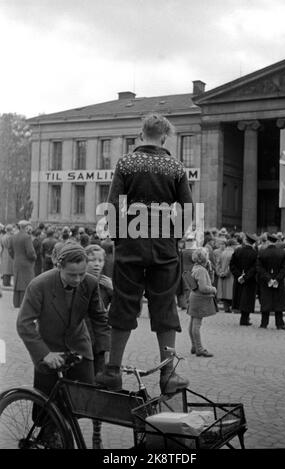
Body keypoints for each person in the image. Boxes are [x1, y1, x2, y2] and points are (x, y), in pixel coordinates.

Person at [96, 113, 193, 394]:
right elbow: (187, 209)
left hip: (131, 244)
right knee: (165, 307)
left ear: (141, 134)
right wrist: (174, 237)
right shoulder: (175, 166)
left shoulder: (126, 162)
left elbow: (113, 204)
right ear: (164, 136)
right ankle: (168, 374)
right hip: (164, 244)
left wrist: (120, 239)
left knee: (124, 303)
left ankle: (113, 371)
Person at [16, 243, 110, 445]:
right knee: (47, 406)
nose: (77, 280)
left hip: (79, 346)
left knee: (84, 401)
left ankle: (69, 432)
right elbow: (24, 324)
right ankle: (50, 435)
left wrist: (106, 350)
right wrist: (44, 354)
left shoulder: (90, 283)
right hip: (50, 348)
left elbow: (100, 319)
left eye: (81, 274)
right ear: (59, 267)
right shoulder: (39, 285)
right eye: (71, 275)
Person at [85, 244, 112, 449]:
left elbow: (127, 312)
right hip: (79, 344)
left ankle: (96, 434)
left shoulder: (105, 285)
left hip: (99, 346)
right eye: (92, 260)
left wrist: (114, 291)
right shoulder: (77, 281)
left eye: (100, 260)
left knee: (99, 390)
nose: (96, 264)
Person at [187, 248, 216, 357]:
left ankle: (194, 346)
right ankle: (199, 348)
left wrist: (210, 271)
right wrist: (213, 289)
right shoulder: (202, 270)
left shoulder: (196, 267)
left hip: (194, 297)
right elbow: (203, 288)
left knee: (192, 323)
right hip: (199, 299)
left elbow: (207, 281)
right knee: (196, 325)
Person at [257, 233, 285, 330]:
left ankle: (263, 323)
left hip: (265, 282)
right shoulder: (282, 252)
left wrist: (268, 278)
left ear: (267, 241)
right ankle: (280, 324)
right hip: (278, 282)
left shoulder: (262, 252)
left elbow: (259, 268)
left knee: (265, 302)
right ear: (276, 241)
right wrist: (277, 279)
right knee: (278, 302)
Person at [230, 233, 258, 326]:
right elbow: (255, 268)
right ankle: (245, 319)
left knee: (240, 297)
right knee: (247, 299)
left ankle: (244, 319)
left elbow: (232, 265)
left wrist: (239, 276)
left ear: (245, 241)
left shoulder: (237, 251)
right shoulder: (254, 253)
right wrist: (245, 277)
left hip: (238, 279)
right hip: (249, 280)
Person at [8, 220, 36, 308]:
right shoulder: (27, 237)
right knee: (26, 282)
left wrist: (15, 257)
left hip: (17, 262)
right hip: (26, 263)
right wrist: (34, 258)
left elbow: (10, 249)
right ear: (26, 227)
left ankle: (16, 302)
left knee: (17, 282)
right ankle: (24, 303)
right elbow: (30, 252)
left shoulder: (13, 237)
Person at [216, 239, 236, 313]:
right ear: (232, 245)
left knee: (224, 293)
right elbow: (231, 265)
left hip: (222, 276)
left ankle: (226, 308)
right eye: (235, 245)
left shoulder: (222, 253)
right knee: (230, 293)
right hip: (230, 276)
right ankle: (232, 307)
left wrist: (220, 272)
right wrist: (226, 273)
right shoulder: (233, 253)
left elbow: (217, 264)